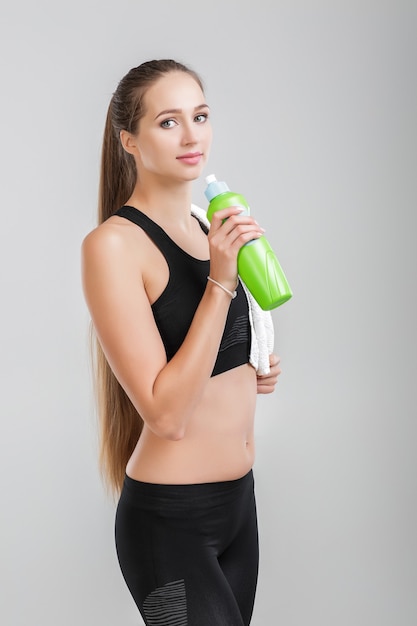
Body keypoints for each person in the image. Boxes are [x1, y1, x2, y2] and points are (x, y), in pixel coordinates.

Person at [81, 59, 282, 626]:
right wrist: (221, 276)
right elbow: (166, 414)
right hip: (169, 523)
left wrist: (252, 368)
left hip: (240, 506)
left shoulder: (204, 224)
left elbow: (207, 350)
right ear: (130, 140)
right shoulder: (114, 246)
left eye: (200, 115)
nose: (192, 136)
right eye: (168, 122)